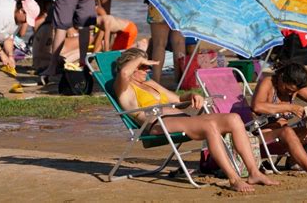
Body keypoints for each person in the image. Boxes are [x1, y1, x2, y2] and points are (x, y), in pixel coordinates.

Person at [114, 48, 279, 192]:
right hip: (158, 123)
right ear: (131, 66)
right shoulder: (124, 87)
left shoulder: (150, 83)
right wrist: (139, 59)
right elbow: (124, 73)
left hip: (179, 119)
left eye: (148, 66)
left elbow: (178, 101)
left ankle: (254, 173)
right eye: (143, 66)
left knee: (233, 119)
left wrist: (192, 95)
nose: (147, 69)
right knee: (209, 127)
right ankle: (234, 179)